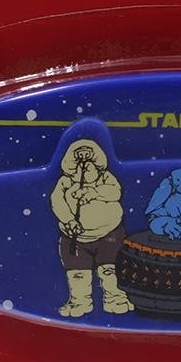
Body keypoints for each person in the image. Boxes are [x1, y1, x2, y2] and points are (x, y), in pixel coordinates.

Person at [49, 136, 134, 317]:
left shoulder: (106, 178)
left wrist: (94, 192)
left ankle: (115, 299)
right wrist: (69, 220)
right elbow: (57, 202)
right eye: (79, 157)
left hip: (109, 234)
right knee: (77, 272)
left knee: (111, 269)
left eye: (88, 156)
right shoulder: (65, 182)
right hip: (75, 237)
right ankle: (80, 302)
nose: (84, 163)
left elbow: (115, 192)